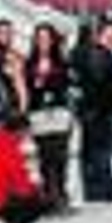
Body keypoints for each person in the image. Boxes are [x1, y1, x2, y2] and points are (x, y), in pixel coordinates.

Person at [71, 22, 112, 202]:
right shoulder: (99, 54)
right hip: (100, 111)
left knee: (97, 150)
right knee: (102, 150)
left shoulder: (93, 54)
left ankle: (97, 188)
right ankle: (106, 189)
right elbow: (102, 85)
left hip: (94, 110)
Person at [24, 23, 73, 212]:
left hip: (59, 111)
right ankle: (48, 197)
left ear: (53, 40)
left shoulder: (61, 60)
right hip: (39, 113)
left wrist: (47, 78)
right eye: (39, 38)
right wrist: (41, 79)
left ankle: (61, 194)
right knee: (45, 157)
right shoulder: (30, 62)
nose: (43, 42)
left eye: (46, 38)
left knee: (60, 154)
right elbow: (31, 86)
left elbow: (64, 82)